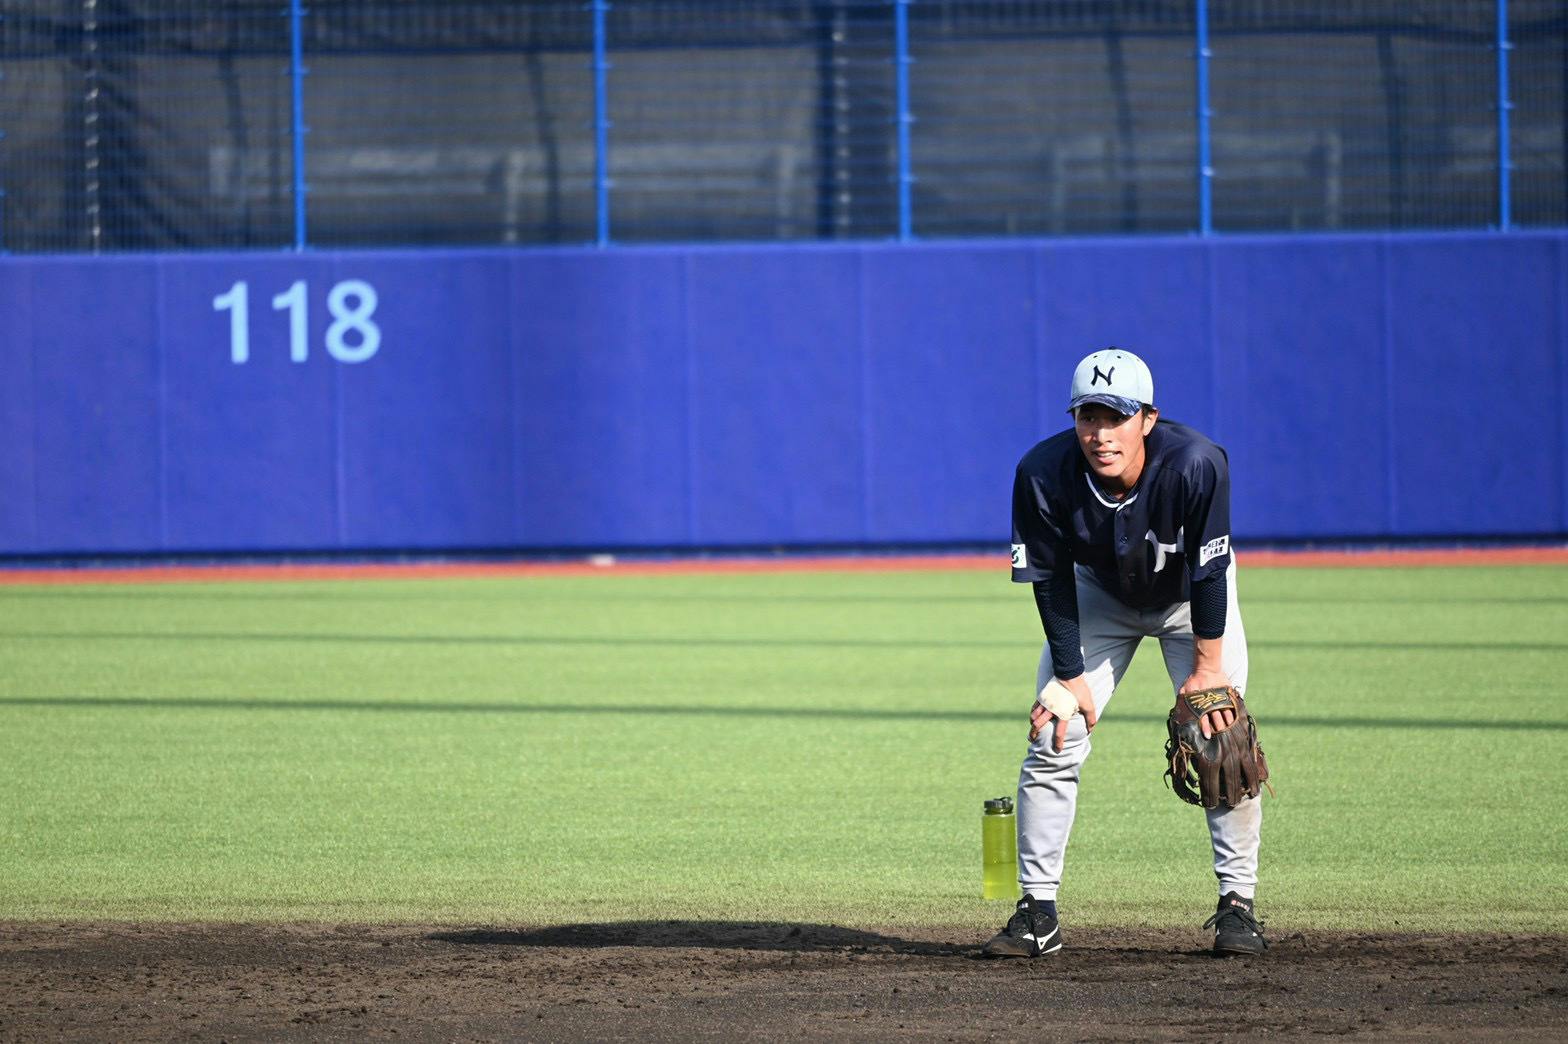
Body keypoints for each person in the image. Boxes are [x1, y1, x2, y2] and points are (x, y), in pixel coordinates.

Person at [982, 347, 1266, 958]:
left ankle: (1237, 905)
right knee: (1054, 731)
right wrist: (1069, 676)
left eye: (1117, 417)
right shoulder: (1042, 472)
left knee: (1222, 736)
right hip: (1098, 597)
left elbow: (1210, 571)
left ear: (1148, 419)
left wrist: (1209, 671)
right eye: (1089, 416)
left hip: (1189, 601)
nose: (1100, 433)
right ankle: (1037, 911)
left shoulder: (1196, 463)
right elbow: (1049, 580)